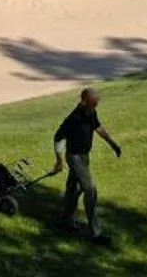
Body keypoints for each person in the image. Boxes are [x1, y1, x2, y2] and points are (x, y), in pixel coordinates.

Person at [50, 87, 122, 241]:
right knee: (90, 190)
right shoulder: (73, 119)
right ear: (83, 102)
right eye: (93, 104)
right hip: (74, 157)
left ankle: (65, 221)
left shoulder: (91, 113)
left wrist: (112, 143)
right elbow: (57, 138)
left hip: (84, 157)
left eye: (96, 104)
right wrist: (59, 161)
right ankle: (96, 233)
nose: (95, 107)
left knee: (73, 189)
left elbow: (98, 127)